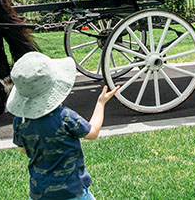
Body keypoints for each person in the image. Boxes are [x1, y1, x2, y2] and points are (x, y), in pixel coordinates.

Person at [9, 52, 120, 200]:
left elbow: (22, 149)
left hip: (39, 192)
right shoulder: (64, 117)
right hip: (74, 191)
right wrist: (101, 103)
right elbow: (92, 133)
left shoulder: (20, 121)